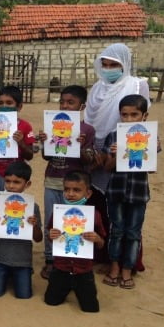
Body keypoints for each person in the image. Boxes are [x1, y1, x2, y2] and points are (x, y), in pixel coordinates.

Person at [35, 86, 95, 280]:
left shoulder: (87, 130)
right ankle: (51, 260)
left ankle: (71, 260)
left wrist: (81, 144)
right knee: (52, 221)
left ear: (82, 106)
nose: (65, 106)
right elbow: (46, 156)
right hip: (52, 180)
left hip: (75, 185)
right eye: (62, 102)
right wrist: (46, 141)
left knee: (72, 221)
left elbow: (89, 160)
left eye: (71, 103)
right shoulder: (53, 124)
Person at [100, 95, 157, 290]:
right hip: (116, 191)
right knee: (116, 231)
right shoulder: (114, 136)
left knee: (133, 233)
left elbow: (150, 169)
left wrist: (144, 151)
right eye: (125, 115)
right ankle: (114, 266)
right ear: (120, 115)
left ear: (144, 115)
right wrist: (116, 155)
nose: (129, 119)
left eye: (135, 114)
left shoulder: (151, 136)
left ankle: (127, 269)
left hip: (138, 193)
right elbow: (107, 167)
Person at [0, 86, 35, 264]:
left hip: (15, 178)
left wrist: (21, 143)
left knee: (12, 211)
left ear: (19, 106)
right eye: (0, 103)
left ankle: (11, 250)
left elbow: (30, 154)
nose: (4, 106)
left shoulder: (24, 126)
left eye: (9, 103)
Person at [84, 43, 150, 192]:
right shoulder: (96, 88)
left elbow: (141, 122)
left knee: (119, 192)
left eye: (114, 64)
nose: (108, 69)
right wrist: (93, 150)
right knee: (94, 195)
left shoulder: (137, 86)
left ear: (125, 64)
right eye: (105, 65)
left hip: (122, 146)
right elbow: (89, 120)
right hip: (95, 149)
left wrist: (114, 150)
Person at [44, 171, 106, 312]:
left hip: (84, 269)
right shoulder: (58, 214)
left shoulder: (94, 216)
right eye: (67, 189)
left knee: (90, 308)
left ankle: (78, 287)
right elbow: (51, 237)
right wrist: (51, 235)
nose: (71, 194)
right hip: (61, 267)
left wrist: (97, 239)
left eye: (77, 190)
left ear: (88, 193)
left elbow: (102, 243)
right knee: (51, 301)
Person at [0, 161, 42, 299]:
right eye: (8, 181)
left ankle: (22, 274)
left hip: (22, 261)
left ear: (27, 184)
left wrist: (33, 225)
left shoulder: (33, 207)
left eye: (17, 182)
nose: (11, 186)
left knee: (24, 295)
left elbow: (38, 238)